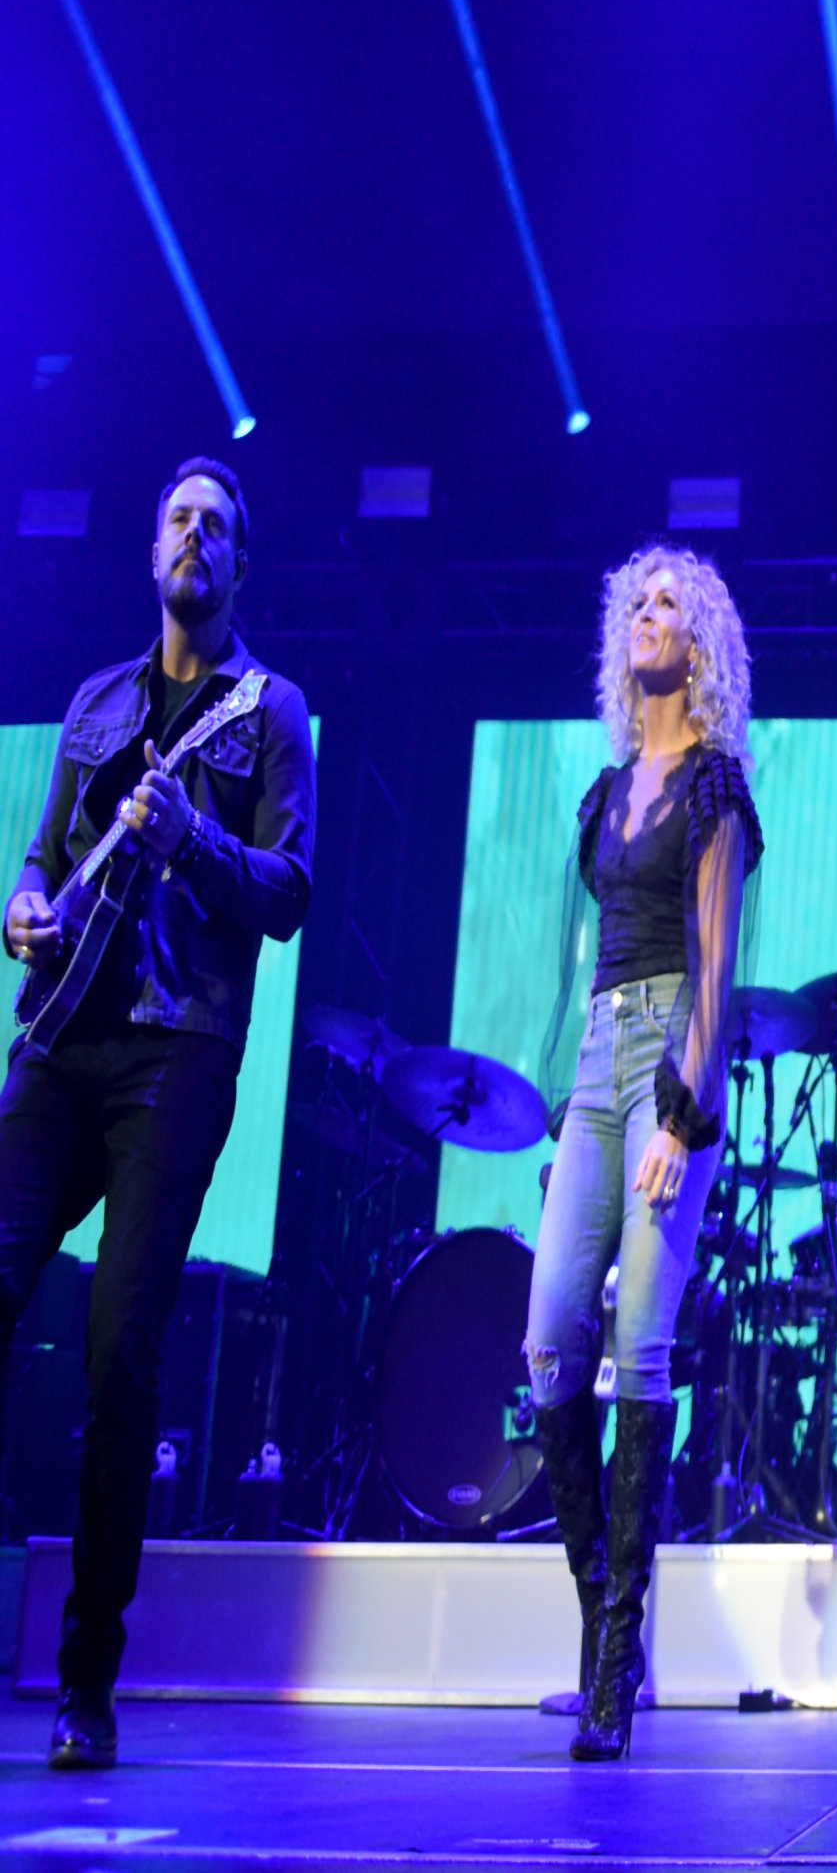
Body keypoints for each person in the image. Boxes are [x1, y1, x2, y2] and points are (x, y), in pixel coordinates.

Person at [1, 459, 316, 1771]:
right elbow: (45, 850)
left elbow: (291, 890)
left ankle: (87, 1681)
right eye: (179, 518)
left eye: (220, 527)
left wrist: (190, 836)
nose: (196, 537)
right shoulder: (92, 702)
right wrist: (19, 903)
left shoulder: (271, 711)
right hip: (60, 1042)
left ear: (240, 567)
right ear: (152, 553)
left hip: (178, 1055)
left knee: (122, 1350)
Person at [526, 547, 761, 1762]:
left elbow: (717, 967)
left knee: (637, 1345)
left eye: (666, 604)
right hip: (591, 1064)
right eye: (634, 602)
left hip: (668, 1053)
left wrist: (682, 1110)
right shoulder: (603, 790)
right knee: (549, 1338)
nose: (645, 617)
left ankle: (614, 1664)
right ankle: (605, 1628)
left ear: (698, 642)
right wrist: (564, 1110)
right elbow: (581, 966)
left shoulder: (716, 788)